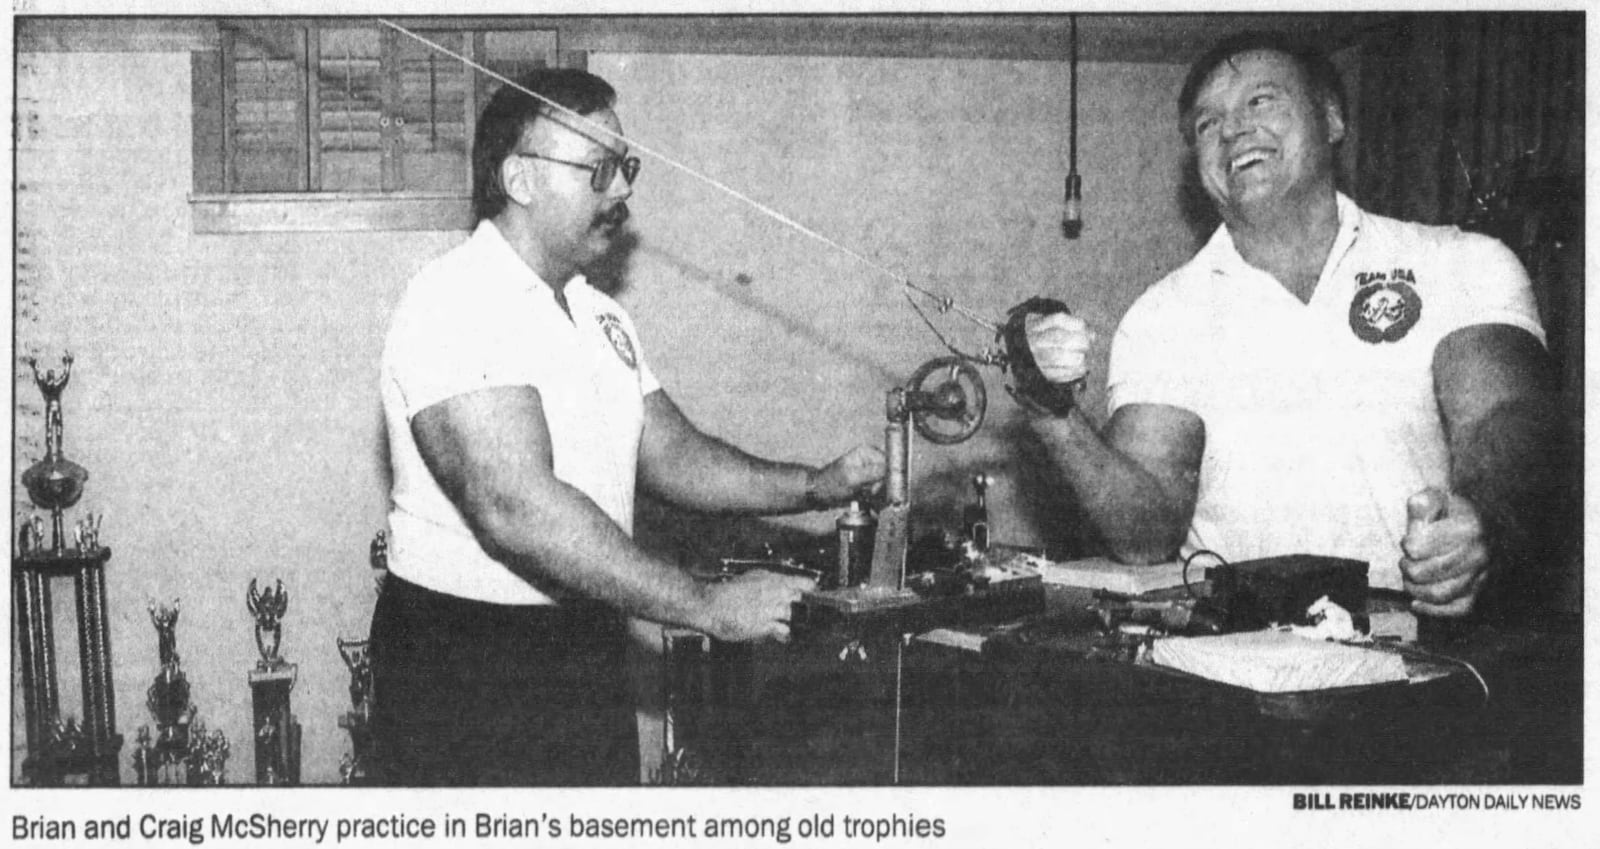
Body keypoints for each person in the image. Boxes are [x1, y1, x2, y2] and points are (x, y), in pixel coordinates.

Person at [371, 68, 885, 786]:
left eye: (626, 168)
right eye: (599, 170)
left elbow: (673, 453)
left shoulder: (600, 314)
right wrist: (708, 604)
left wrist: (813, 484)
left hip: (581, 642)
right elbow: (514, 506)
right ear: (519, 178)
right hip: (466, 657)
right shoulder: (453, 298)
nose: (622, 191)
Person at [1022, 32, 1557, 620]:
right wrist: (1053, 414)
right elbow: (1144, 532)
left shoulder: (1462, 262)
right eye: (1207, 124)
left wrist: (1485, 522)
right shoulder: (1163, 315)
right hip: (1233, 662)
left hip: (1421, 652)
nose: (1232, 131)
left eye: (1261, 101)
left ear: (1331, 119)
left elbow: (1506, 418)